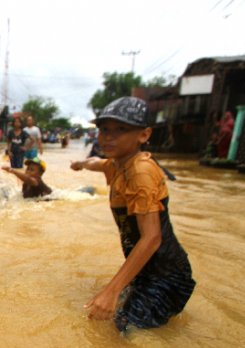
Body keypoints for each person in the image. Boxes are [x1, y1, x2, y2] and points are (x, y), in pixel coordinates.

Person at [70, 96, 195, 332]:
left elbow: (152, 237)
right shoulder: (118, 163)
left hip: (166, 276)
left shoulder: (141, 172)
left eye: (121, 129)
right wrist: (80, 163)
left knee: (124, 333)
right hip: (146, 271)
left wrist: (111, 290)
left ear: (144, 135)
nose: (108, 136)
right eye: (104, 129)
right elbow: (97, 162)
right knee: (102, 319)